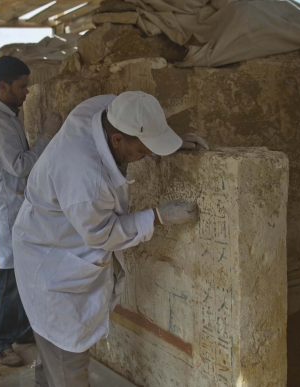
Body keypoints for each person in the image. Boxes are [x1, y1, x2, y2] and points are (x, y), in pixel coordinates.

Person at [12, 91, 210, 386]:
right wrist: (158, 216)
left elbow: (137, 118)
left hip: (50, 234)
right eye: (143, 152)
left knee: (51, 363)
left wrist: (168, 142)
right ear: (117, 140)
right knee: (68, 364)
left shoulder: (103, 108)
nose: (148, 156)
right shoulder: (84, 179)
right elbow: (103, 234)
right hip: (51, 267)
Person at [0, 56, 62, 367]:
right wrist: (48, 136)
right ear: (3, 86)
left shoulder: (9, 115)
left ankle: (23, 330)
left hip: (19, 206)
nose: (27, 92)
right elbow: (20, 165)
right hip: (8, 210)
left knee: (24, 270)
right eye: (22, 86)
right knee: (10, 275)